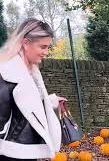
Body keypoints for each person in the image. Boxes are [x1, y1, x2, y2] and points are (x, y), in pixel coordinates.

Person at [0, 18, 67, 160]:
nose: (46, 52)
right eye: (43, 47)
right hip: (9, 154)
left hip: (25, 152)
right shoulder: (6, 73)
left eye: (48, 47)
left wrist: (51, 101)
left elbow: (24, 106)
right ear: (25, 43)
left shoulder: (30, 71)